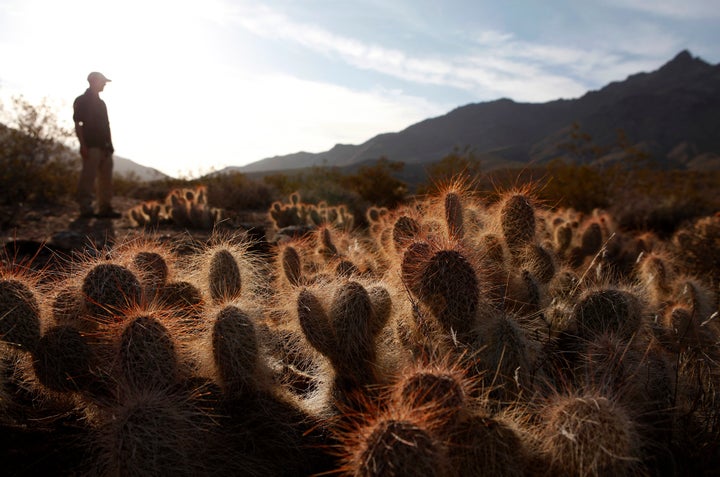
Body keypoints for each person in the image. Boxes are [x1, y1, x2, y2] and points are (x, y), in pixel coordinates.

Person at [73, 71, 120, 218]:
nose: (105, 84)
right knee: (88, 176)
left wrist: (109, 146)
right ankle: (85, 207)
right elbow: (78, 124)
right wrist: (83, 145)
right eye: (103, 81)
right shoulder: (81, 100)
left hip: (104, 147)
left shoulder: (101, 103)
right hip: (91, 145)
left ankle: (105, 207)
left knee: (106, 178)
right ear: (94, 81)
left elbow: (107, 125)